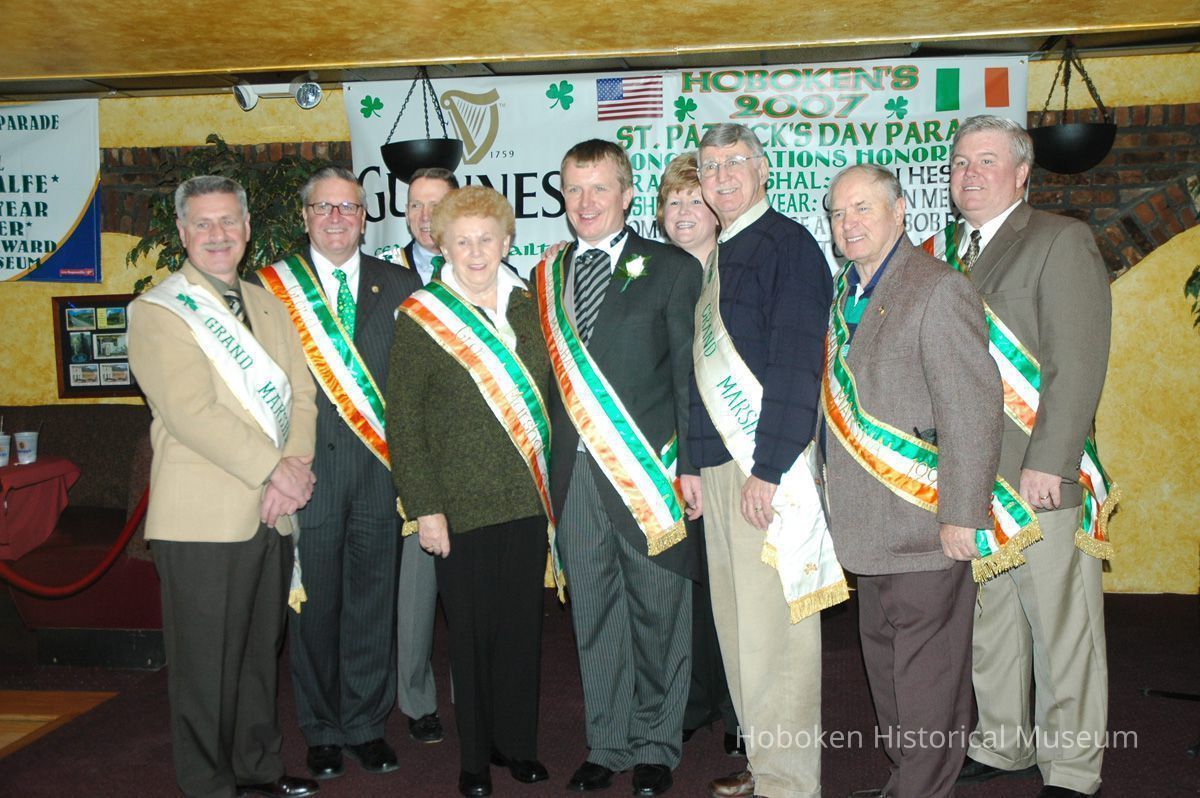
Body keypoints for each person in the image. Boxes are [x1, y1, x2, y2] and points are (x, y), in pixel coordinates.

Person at [934, 115, 1115, 798]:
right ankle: (1003, 744)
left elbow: (1078, 360)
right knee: (995, 623)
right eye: (959, 163)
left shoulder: (1058, 240)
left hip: (1036, 475)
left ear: (1020, 174)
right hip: (976, 477)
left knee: (1062, 628)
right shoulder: (954, 251)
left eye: (986, 161)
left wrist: (1055, 459)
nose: (970, 174)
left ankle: (1071, 766)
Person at [128, 175, 320, 798]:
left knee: (259, 656)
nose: (217, 235)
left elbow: (301, 394)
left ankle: (257, 770)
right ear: (183, 233)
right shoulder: (158, 311)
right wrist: (275, 469)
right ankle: (209, 784)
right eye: (203, 224)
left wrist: (291, 475)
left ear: (246, 229)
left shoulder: (266, 302)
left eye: (228, 222)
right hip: (202, 517)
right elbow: (191, 413)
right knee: (205, 666)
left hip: (272, 510)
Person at [821, 164, 1004, 798]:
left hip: (925, 523)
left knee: (927, 678)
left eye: (864, 208)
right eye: (840, 212)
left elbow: (972, 409)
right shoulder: (843, 294)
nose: (850, 223)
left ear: (901, 212)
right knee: (886, 669)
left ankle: (924, 787)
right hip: (862, 529)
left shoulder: (936, 288)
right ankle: (907, 777)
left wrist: (964, 513)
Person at [537, 139, 701, 797]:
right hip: (573, 479)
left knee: (660, 611)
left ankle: (659, 746)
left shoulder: (669, 267)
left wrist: (691, 464)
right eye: (573, 189)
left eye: (599, 188)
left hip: (648, 477)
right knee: (595, 614)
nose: (585, 203)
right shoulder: (546, 275)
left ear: (629, 195)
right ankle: (609, 742)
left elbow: (690, 375)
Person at [690, 122, 845, 798]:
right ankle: (766, 761)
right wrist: (694, 465)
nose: (722, 176)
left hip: (763, 467)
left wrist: (770, 468)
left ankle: (789, 781)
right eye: (709, 166)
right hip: (722, 469)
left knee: (777, 634)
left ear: (763, 170)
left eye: (735, 163)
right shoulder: (720, 249)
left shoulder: (789, 245)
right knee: (738, 631)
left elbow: (794, 368)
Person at [387, 185, 556, 798]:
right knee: (471, 634)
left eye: (488, 239)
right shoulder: (422, 314)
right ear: (442, 244)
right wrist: (425, 507)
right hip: (457, 505)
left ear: (507, 241)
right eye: (463, 240)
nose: (477, 251)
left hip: (525, 499)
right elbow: (403, 420)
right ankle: (475, 757)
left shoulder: (530, 306)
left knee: (520, 629)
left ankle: (519, 745)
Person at [255, 167, 421, 779]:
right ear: (304, 218)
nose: (335, 218)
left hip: (381, 474)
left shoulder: (401, 285)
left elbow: (413, 387)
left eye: (347, 207)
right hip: (308, 475)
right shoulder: (271, 290)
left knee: (374, 603)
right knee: (315, 605)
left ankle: (365, 724)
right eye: (323, 208)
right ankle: (322, 728)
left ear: (363, 216)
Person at [656, 153, 742, 758]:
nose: (683, 212)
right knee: (687, 583)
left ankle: (740, 706)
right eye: (672, 202)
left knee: (736, 586)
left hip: (734, 450)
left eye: (694, 201)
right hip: (666, 453)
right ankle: (691, 698)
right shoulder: (650, 272)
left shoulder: (736, 269)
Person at [390, 165, 459, 744]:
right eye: (415, 205)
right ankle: (417, 701)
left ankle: (475, 692)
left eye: (436, 205)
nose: (425, 216)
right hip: (403, 452)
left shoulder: (486, 270)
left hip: (470, 461)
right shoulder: (381, 277)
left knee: (469, 587)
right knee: (414, 591)